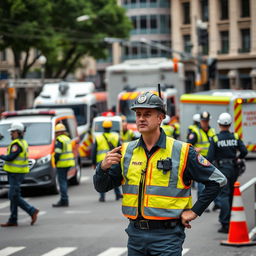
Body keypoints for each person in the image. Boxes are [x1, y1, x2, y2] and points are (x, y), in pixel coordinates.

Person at [93, 91, 226, 256]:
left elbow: (218, 180)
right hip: (135, 236)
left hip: (167, 237)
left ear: (160, 117)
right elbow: (101, 187)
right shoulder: (126, 151)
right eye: (138, 114)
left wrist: (194, 211)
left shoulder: (182, 151)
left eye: (147, 114)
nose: (141, 118)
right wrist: (102, 168)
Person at [207, 112, 248, 233]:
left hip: (221, 170)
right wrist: (238, 158)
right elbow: (244, 151)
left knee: (224, 195)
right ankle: (231, 218)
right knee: (230, 194)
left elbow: (210, 157)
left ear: (219, 124)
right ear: (230, 124)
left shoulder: (215, 138)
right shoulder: (235, 136)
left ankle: (225, 223)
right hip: (233, 169)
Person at [0, 122, 39, 227]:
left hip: (15, 174)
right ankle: (13, 219)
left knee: (13, 196)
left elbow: (10, 157)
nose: (11, 134)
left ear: (18, 132)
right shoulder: (22, 142)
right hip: (16, 173)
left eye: (13, 132)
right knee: (14, 195)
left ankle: (32, 210)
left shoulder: (16, 144)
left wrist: (1, 156)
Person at [187, 111, 216, 210]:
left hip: (211, 160)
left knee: (215, 182)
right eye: (204, 121)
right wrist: (195, 149)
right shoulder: (195, 132)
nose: (205, 123)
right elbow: (188, 146)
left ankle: (217, 204)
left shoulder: (212, 131)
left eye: (207, 121)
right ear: (200, 121)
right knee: (201, 184)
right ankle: (202, 206)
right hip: (200, 161)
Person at [91, 120, 122, 202]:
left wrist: (93, 162)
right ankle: (118, 194)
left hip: (102, 161)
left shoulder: (98, 137)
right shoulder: (115, 136)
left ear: (103, 127)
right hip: (113, 160)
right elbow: (119, 149)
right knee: (114, 176)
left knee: (102, 177)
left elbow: (94, 151)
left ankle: (102, 196)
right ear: (111, 127)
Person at [52, 123, 75, 207]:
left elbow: (58, 153)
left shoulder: (59, 140)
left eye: (56, 133)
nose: (55, 134)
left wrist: (55, 161)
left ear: (58, 132)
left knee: (62, 182)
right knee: (64, 181)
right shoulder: (67, 139)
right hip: (69, 163)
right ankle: (63, 199)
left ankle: (64, 200)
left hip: (62, 164)